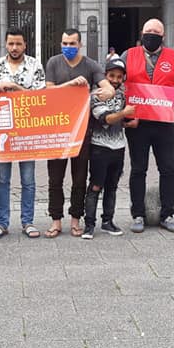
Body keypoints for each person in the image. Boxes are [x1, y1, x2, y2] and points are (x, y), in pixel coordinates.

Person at [121, 19, 174, 233]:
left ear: (163, 36)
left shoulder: (173, 56)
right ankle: (138, 214)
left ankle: (167, 214)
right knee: (138, 169)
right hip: (138, 123)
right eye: (148, 31)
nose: (151, 35)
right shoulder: (128, 55)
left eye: (156, 32)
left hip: (164, 123)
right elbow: (115, 81)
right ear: (142, 33)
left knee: (168, 169)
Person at [44, 28, 115, 238]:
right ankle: (56, 221)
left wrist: (101, 92)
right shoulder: (53, 63)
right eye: (64, 43)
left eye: (72, 44)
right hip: (56, 130)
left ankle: (76, 220)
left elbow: (108, 88)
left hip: (82, 131)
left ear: (80, 45)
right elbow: (48, 92)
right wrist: (70, 85)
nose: (68, 47)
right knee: (54, 179)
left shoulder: (91, 65)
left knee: (79, 178)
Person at [0, 29, 46, 239]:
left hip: (27, 132)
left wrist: (15, 87)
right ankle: (2, 223)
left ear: (25, 45)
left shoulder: (35, 66)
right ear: (5, 44)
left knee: (28, 180)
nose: (14, 48)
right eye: (11, 43)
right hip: (2, 133)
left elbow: (41, 98)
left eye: (18, 44)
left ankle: (27, 221)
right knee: (2, 180)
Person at [82, 58, 137, 239]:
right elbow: (105, 119)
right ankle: (89, 224)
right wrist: (124, 114)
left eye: (119, 77)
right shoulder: (96, 95)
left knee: (112, 186)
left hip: (119, 147)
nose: (115, 80)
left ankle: (108, 221)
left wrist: (129, 123)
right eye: (111, 75)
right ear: (105, 76)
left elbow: (121, 121)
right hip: (100, 147)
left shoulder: (123, 95)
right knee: (96, 185)